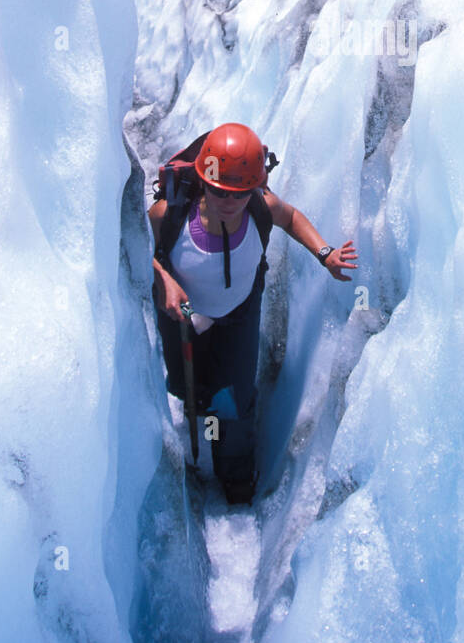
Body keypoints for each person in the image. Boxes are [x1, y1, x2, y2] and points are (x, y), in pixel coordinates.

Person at [149, 122, 358, 504]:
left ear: (255, 187)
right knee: (189, 389)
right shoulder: (170, 215)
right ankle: (202, 436)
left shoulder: (263, 207)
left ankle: (234, 474)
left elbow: (292, 217)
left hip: (238, 316)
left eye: (239, 193)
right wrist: (163, 278)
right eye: (218, 191)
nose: (228, 202)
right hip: (185, 316)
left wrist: (324, 253)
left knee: (234, 398)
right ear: (204, 182)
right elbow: (138, 250)